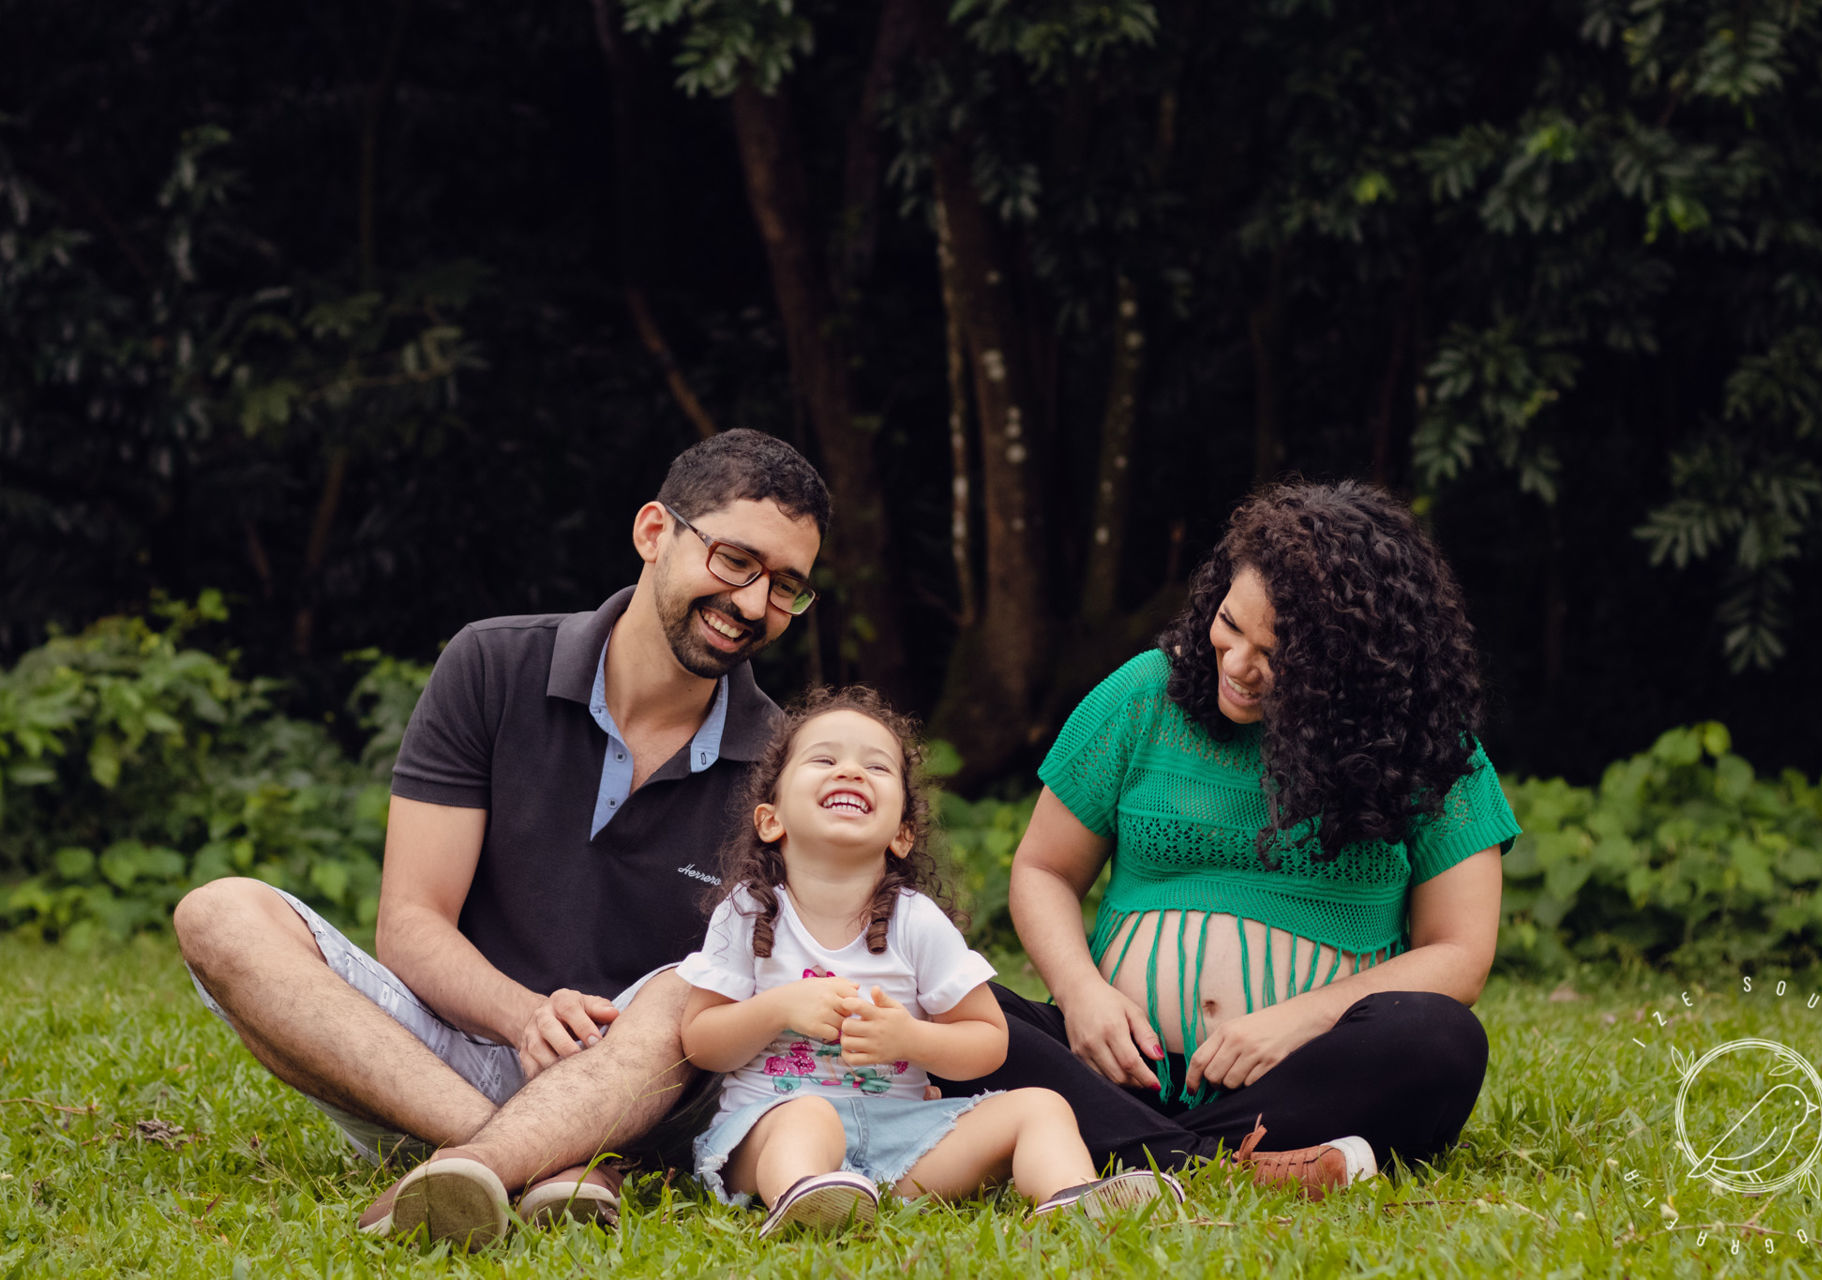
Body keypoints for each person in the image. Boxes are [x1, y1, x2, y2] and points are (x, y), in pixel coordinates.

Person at [172, 429, 832, 1250]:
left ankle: (485, 1164)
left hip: (640, 1090)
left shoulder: (783, 764)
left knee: (682, 990)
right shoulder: (491, 665)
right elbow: (411, 921)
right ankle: (527, 1161)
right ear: (655, 532)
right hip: (441, 1063)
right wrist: (523, 1019)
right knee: (220, 911)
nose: (754, 603)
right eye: (737, 561)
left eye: (786, 588)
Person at [937, 480, 1521, 1198]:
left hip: (1302, 1082)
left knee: (1440, 1040)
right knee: (940, 1009)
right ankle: (1231, 1166)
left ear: (1356, 671)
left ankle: (1141, 1157)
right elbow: (1043, 869)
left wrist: (1296, 1022)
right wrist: (1081, 992)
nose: (1239, 665)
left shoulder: (1427, 752)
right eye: (1230, 625)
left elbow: (1460, 954)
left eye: (1277, 655)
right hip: (1117, 1074)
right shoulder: (1143, 695)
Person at [678, 687, 1184, 1237]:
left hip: (901, 1138)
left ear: (901, 834)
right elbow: (701, 1040)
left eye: (877, 766)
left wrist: (911, 1041)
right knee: (809, 1117)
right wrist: (778, 1008)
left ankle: (1072, 1198)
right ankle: (807, 1198)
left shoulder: (914, 921)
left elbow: (989, 1040)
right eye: (824, 759)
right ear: (771, 820)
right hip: (768, 1130)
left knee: (1040, 1106)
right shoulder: (749, 912)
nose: (851, 771)